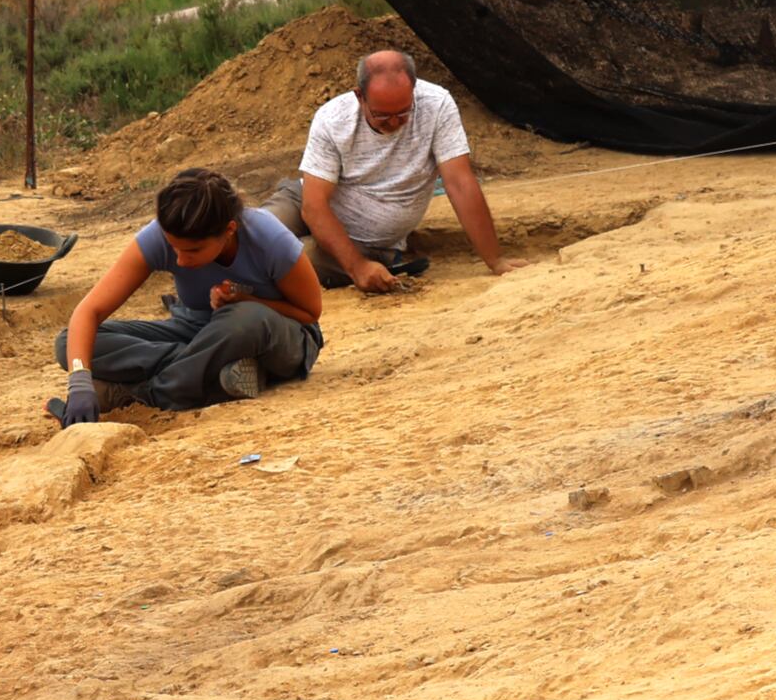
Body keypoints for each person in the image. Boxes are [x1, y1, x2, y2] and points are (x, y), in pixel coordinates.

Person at [50, 166, 325, 422]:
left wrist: (248, 301)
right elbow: (89, 311)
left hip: (282, 338)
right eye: (173, 248)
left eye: (193, 251)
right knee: (70, 342)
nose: (179, 260)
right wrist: (80, 380)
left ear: (229, 231)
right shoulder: (160, 235)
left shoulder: (270, 240)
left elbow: (309, 314)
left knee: (245, 318)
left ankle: (144, 395)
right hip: (195, 330)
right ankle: (214, 374)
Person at [260, 48, 510, 294]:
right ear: (360, 96)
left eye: (403, 114)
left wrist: (495, 261)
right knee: (252, 231)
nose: (393, 122)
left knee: (290, 259)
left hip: (366, 240)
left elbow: (460, 183)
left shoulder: (437, 106)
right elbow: (313, 206)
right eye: (382, 115)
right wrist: (357, 269)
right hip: (305, 202)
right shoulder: (331, 119)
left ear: (414, 91)